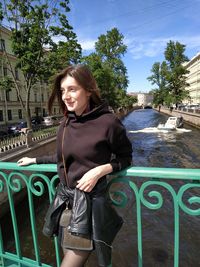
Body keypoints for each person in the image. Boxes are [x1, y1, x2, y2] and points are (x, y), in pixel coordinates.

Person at [17, 64, 133, 267]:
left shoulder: (108, 123)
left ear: (88, 90)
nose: (65, 96)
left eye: (72, 89)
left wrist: (101, 169)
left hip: (88, 206)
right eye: (63, 91)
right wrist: (34, 160)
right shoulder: (65, 124)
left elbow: (126, 156)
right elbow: (63, 158)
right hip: (64, 203)